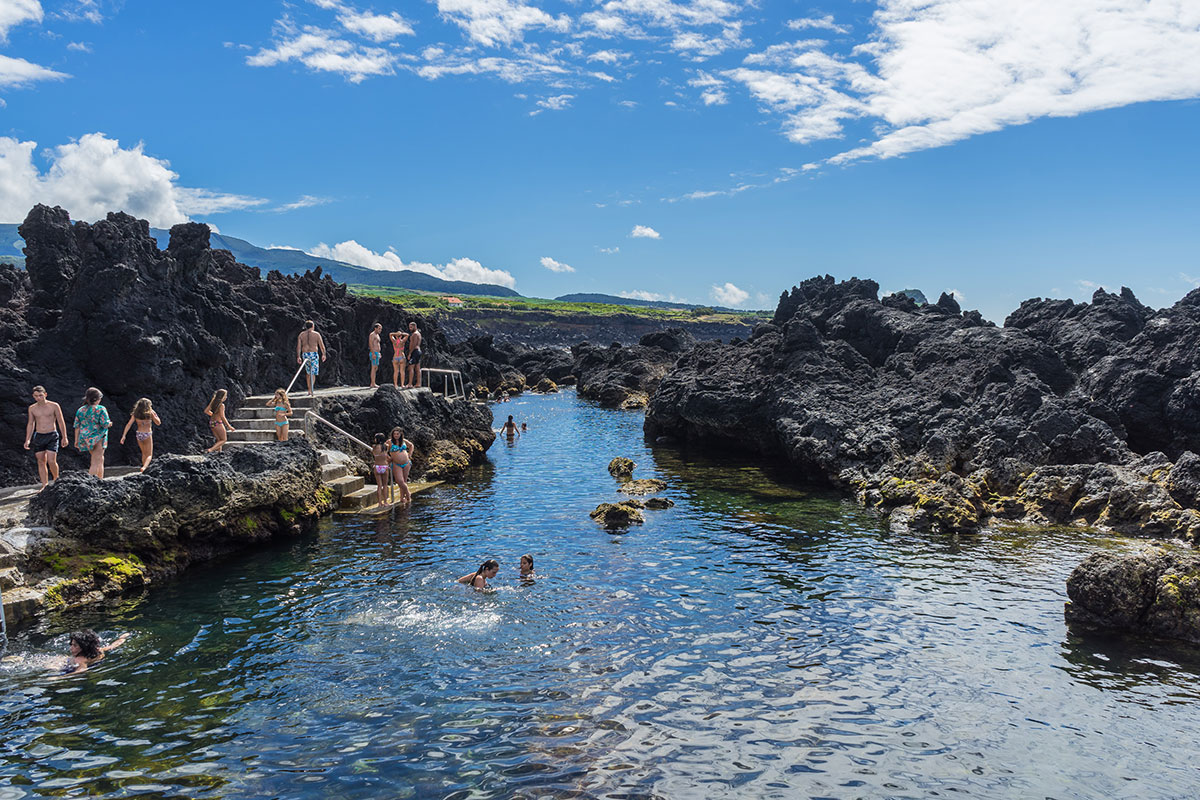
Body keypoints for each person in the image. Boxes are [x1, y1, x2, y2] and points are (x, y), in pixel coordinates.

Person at [24, 385, 69, 491]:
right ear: (33, 396)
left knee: (51, 460)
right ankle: (44, 485)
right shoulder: (32, 408)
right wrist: (28, 439)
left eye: (40, 395)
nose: (38, 398)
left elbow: (61, 422)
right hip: (39, 435)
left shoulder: (54, 406)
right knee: (41, 460)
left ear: (45, 394)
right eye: (36, 396)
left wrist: (65, 437)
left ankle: (56, 480)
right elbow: (31, 424)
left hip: (52, 435)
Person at [55, 629, 129, 676]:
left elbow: (81, 670)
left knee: (56, 662)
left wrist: (61, 677)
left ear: (84, 647)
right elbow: (112, 646)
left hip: (68, 669)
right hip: (94, 664)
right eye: (71, 644)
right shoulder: (98, 651)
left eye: (75, 645)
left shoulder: (80, 660)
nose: (71, 648)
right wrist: (122, 638)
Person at [74, 387, 111, 479]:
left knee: (100, 459)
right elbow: (105, 424)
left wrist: (76, 440)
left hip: (86, 438)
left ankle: (100, 479)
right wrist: (110, 423)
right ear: (98, 399)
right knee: (94, 462)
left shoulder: (81, 410)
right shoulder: (101, 409)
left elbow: (77, 426)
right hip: (99, 438)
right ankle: (91, 483)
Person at [119, 397, 161, 472]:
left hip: (139, 434)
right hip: (147, 434)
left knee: (144, 453)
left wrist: (124, 435)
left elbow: (129, 424)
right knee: (149, 455)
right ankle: (144, 467)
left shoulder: (135, 413)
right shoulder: (150, 413)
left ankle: (144, 468)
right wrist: (155, 415)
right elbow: (158, 423)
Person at [296, 320, 327, 397]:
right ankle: (310, 390)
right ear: (312, 326)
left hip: (305, 354)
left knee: (308, 373)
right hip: (313, 354)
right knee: (313, 373)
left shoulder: (301, 335)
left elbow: (299, 347)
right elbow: (321, 345)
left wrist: (298, 356)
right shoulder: (316, 334)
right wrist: (324, 354)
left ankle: (309, 389)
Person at [388, 427, 413, 506]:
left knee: (404, 481)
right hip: (396, 464)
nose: (396, 435)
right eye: (394, 434)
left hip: (406, 463)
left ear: (400, 434)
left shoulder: (404, 441)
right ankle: (408, 494)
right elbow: (383, 451)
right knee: (400, 481)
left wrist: (409, 454)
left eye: (397, 434)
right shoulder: (389, 442)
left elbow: (411, 445)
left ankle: (402, 498)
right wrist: (389, 458)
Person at [371, 433, 391, 507]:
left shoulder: (374, 447)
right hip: (384, 466)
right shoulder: (386, 446)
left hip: (377, 466)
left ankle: (380, 503)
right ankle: (385, 502)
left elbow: (373, 453)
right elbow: (386, 453)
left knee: (379, 486)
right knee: (385, 485)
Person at [406, 321, 423, 389]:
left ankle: (410, 384)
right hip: (418, 351)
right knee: (417, 368)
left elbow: (414, 344)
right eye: (409, 327)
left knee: (411, 367)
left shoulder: (415, 334)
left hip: (415, 352)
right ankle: (418, 383)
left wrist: (410, 353)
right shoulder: (418, 333)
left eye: (411, 327)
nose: (410, 328)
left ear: (415, 326)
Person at [368, 323, 383, 389]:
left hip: (377, 353)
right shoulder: (372, 334)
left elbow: (378, 344)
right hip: (374, 353)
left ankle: (373, 382)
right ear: (375, 328)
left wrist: (379, 353)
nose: (380, 330)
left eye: (381, 329)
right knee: (373, 368)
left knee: (375, 368)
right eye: (379, 328)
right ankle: (372, 383)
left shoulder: (377, 335)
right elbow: (370, 343)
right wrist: (373, 353)